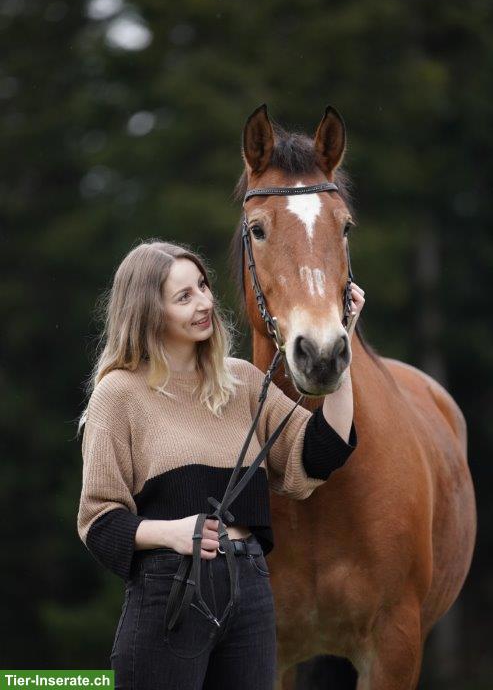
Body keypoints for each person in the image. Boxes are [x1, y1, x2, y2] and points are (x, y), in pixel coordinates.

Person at [76, 238, 365, 690]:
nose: (205, 302)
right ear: (148, 312)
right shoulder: (119, 394)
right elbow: (98, 522)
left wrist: (341, 342)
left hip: (249, 587)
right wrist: (172, 532)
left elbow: (320, 451)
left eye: (204, 287)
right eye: (184, 296)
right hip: (169, 589)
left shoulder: (243, 382)